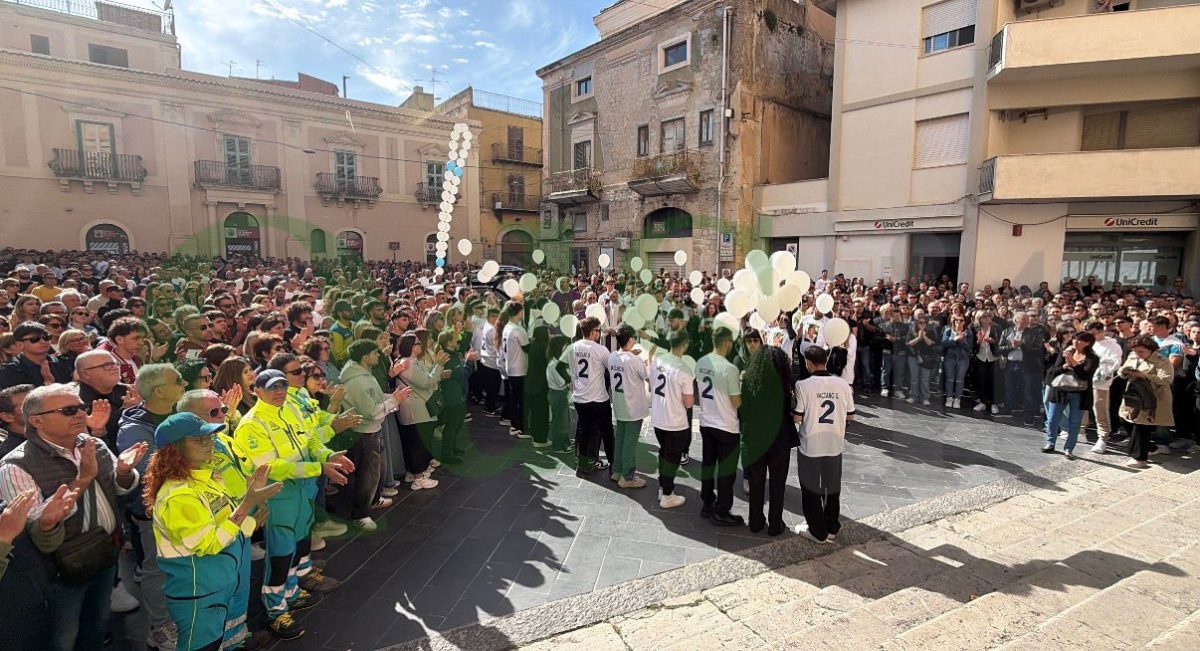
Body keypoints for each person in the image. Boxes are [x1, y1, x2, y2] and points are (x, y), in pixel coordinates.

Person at [0, 382, 146, 651]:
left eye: (81, 407)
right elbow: (33, 526)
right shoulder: (14, 465)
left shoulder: (94, 444)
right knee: (62, 637)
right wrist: (83, 479)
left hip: (104, 555)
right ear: (37, 421)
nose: (81, 414)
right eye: (68, 410)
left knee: (97, 624)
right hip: (60, 570)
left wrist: (125, 472)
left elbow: (119, 486)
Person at [144, 413, 282, 651]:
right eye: (199, 440)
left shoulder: (206, 477)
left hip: (216, 584)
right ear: (173, 450)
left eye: (209, 437)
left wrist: (249, 522)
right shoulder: (179, 495)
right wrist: (248, 503)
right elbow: (209, 543)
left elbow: (223, 522)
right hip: (198, 594)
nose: (209, 443)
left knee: (216, 640)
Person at [233, 370, 354, 639]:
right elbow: (269, 467)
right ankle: (276, 611)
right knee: (280, 552)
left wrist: (328, 454)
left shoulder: (289, 407)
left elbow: (309, 439)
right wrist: (318, 467)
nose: (279, 392)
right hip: (280, 494)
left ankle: (292, 591)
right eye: (272, 387)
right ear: (258, 391)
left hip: (303, 490)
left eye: (282, 386)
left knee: (299, 541)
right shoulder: (251, 424)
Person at [116, 363, 186, 650]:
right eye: (178, 380)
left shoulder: (180, 414)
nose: (184, 383)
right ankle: (160, 628)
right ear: (159, 391)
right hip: (155, 512)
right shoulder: (135, 430)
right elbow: (150, 474)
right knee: (157, 568)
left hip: (187, 505)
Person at [338, 340, 412, 529]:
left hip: (371, 431)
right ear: (365, 357)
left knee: (375, 471)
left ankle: (372, 500)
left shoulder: (363, 374)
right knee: (367, 475)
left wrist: (391, 398)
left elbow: (375, 400)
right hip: (364, 433)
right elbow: (370, 411)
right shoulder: (358, 381)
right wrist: (394, 400)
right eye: (375, 353)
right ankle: (360, 515)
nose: (379, 356)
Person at [793, 346, 855, 543]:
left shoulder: (803, 385)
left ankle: (817, 531)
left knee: (811, 489)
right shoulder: (843, 384)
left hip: (811, 444)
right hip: (834, 443)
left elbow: (797, 417)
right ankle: (831, 526)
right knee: (832, 487)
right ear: (825, 361)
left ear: (809, 363)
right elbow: (850, 415)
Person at [740, 346, 795, 536]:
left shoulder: (748, 381)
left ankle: (755, 521)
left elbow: (742, 411)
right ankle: (775, 523)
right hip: (780, 439)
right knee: (778, 484)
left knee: (756, 483)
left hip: (755, 439)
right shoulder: (784, 383)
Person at [695, 327, 743, 526]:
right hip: (725, 424)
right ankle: (722, 509)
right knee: (726, 471)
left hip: (707, 420)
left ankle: (707, 502)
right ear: (726, 343)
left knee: (708, 464)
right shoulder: (729, 368)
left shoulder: (701, 362)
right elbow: (736, 402)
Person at [649, 330, 693, 509]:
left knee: (663, 453)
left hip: (659, 418)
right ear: (684, 345)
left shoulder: (657, 361)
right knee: (672, 459)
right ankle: (667, 494)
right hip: (675, 421)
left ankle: (663, 486)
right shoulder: (684, 369)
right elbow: (689, 403)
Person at [394, 332, 444, 490]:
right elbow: (426, 382)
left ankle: (413, 472)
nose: (420, 345)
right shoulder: (408, 363)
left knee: (415, 442)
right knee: (418, 444)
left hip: (415, 409)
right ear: (409, 346)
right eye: (417, 343)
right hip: (416, 410)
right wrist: (439, 365)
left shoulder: (409, 361)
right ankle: (418, 478)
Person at [1117, 336, 1175, 469]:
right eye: (1136, 351)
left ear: (1150, 349)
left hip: (1152, 397)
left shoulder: (1162, 361)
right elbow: (1122, 370)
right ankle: (1151, 447)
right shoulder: (1133, 356)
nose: (1138, 354)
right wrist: (1124, 372)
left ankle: (1139, 458)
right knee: (1126, 420)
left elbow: (1166, 379)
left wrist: (1144, 375)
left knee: (1141, 426)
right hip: (1133, 395)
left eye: (1141, 352)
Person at [567, 317, 614, 476]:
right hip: (598, 398)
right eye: (599, 330)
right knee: (606, 432)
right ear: (592, 332)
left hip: (580, 398)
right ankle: (614, 466)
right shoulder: (600, 349)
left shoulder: (573, 347)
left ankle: (582, 464)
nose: (600, 333)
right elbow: (613, 367)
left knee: (583, 431)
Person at [1043, 331, 1099, 459]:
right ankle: (1050, 443)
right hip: (1060, 390)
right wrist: (1065, 365)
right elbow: (1053, 371)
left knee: (1074, 422)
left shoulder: (1092, 358)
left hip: (1079, 393)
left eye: (1079, 340)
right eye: (1074, 339)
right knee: (1052, 419)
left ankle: (1069, 449)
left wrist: (1073, 361)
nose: (1075, 342)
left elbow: (1084, 375)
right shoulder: (1065, 353)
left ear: (1087, 343)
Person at [607, 325, 648, 489]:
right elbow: (646, 376)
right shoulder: (635, 360)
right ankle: (628, 477)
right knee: (630, 443)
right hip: (633, 407)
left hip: (619, 405)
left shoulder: (612, 356)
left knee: (621, 440)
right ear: (630, 340)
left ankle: (617, 471)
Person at [0, 322, 74, 389]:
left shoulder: (64, 363)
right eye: (34, 339)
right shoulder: (10, 369)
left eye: (46, 337)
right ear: (20, 344)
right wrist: (47, 382)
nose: (43, 341)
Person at [1087, 322, 1124, 455]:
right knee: (1083, 405)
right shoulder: (1087, 342)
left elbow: (1115, 363)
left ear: (1102, 331)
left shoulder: (1113, 345)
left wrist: (1104, 371)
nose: (1091, 336)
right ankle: (1079, 430)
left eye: (1094, 334)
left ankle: (1102, 437)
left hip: (1101, 380)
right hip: (1085, 378)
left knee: (1099, 407)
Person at [500, 302, 529, 437]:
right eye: (521, 311)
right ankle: (519, 427)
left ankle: (513, 423)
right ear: (518, 313)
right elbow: (527, 347)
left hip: (510, 366)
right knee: (520, 399)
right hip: (519, 368)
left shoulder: (507, 327)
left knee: (514, 397)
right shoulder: (517, 330)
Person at [545, 334, 573, 453]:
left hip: (558, 394)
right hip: (558, 394)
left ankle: (564, 440)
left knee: (563, 419)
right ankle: (559, 445)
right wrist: (570, 380)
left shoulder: (555, 362)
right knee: (560, 421)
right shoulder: (554, 365)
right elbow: (561, 382)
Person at [941, 315, 972, 409]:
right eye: (956, 320)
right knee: (949, 379)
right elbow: (944, 343)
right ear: (953, 322)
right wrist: (954, 340)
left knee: (959, 380)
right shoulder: (948, 330)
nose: (959, 322)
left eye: (961, 320)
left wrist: (962, 340)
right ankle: (949, 398)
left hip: (963, 359)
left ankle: (957, 399)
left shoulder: (968, 332)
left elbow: (970, 348)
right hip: (950, 358)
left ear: (964, 322)